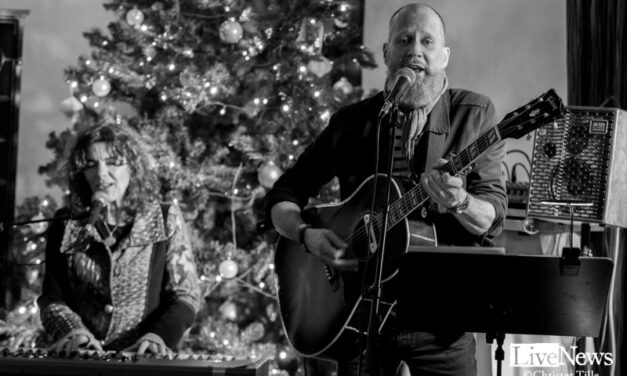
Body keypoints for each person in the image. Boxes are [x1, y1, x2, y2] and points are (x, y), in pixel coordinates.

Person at [266, 3, 506, 376]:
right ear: (386, 53)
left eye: (427, 41)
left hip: (441, 322)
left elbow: (491, 217)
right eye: (404, 39)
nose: (415, 50)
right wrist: (307, 235)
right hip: (360, 318)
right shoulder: (352, 122)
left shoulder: (473, 114)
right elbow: (282, 197)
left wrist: (460, 201)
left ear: (444, 55)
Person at [38, 122, 201, 356]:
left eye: (114, 162)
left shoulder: (165, 218)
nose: (102, 174)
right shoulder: (66, 222)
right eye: (91, 165)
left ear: (133, 167)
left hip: (145, 360)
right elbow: (52, 299)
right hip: (82, 361)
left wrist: (159, 336)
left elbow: (187, 294)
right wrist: (73, 333)